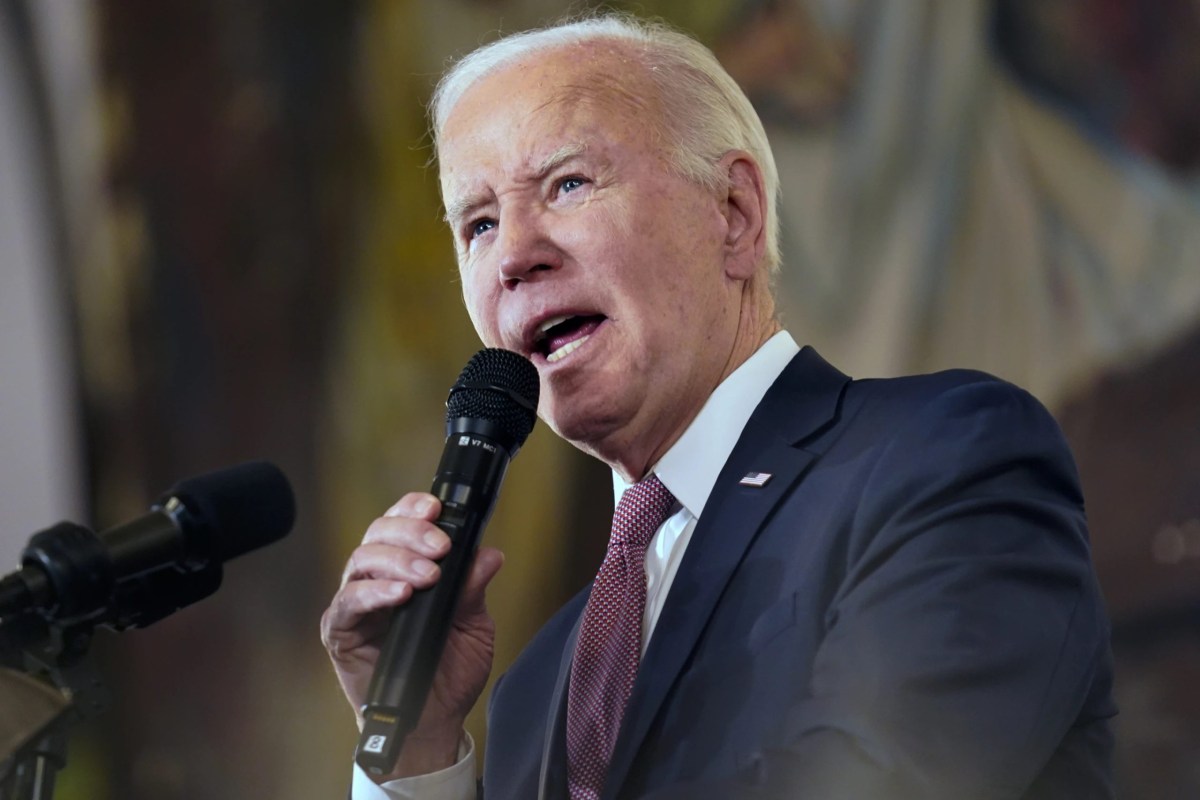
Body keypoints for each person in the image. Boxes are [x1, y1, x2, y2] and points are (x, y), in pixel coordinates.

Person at [320, 13, 1115, 800]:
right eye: (480, 224)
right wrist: (419, 751)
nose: (514, 257)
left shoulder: (941, 463)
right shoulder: (536, 691)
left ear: (734, 213)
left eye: (568, 185)